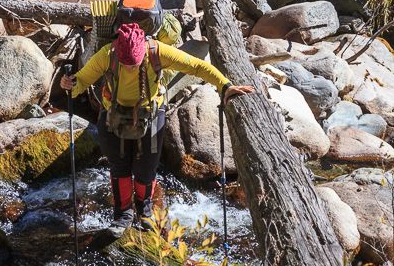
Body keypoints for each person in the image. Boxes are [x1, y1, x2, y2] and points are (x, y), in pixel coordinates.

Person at [61, 22, 255, 230]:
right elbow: (81, 82)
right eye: (126, 64)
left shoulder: (156, 51)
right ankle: (122, 215)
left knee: (146, 168)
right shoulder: (107, 54)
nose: (130, 68)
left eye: (134, 64)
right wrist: (69, 85)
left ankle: (144, 211)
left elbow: (197, 65)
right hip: (113, 116)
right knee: (120, 167)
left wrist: (224, 86)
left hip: (151, 114)